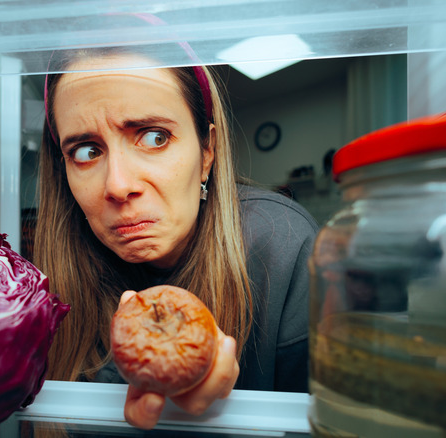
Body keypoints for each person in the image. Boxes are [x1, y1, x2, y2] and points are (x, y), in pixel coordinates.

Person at [32, 47, 319, 431]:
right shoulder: (55, 281)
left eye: (154, 138)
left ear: (207, 150)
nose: (118, 185)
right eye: (86, 151)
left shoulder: (282, 244)